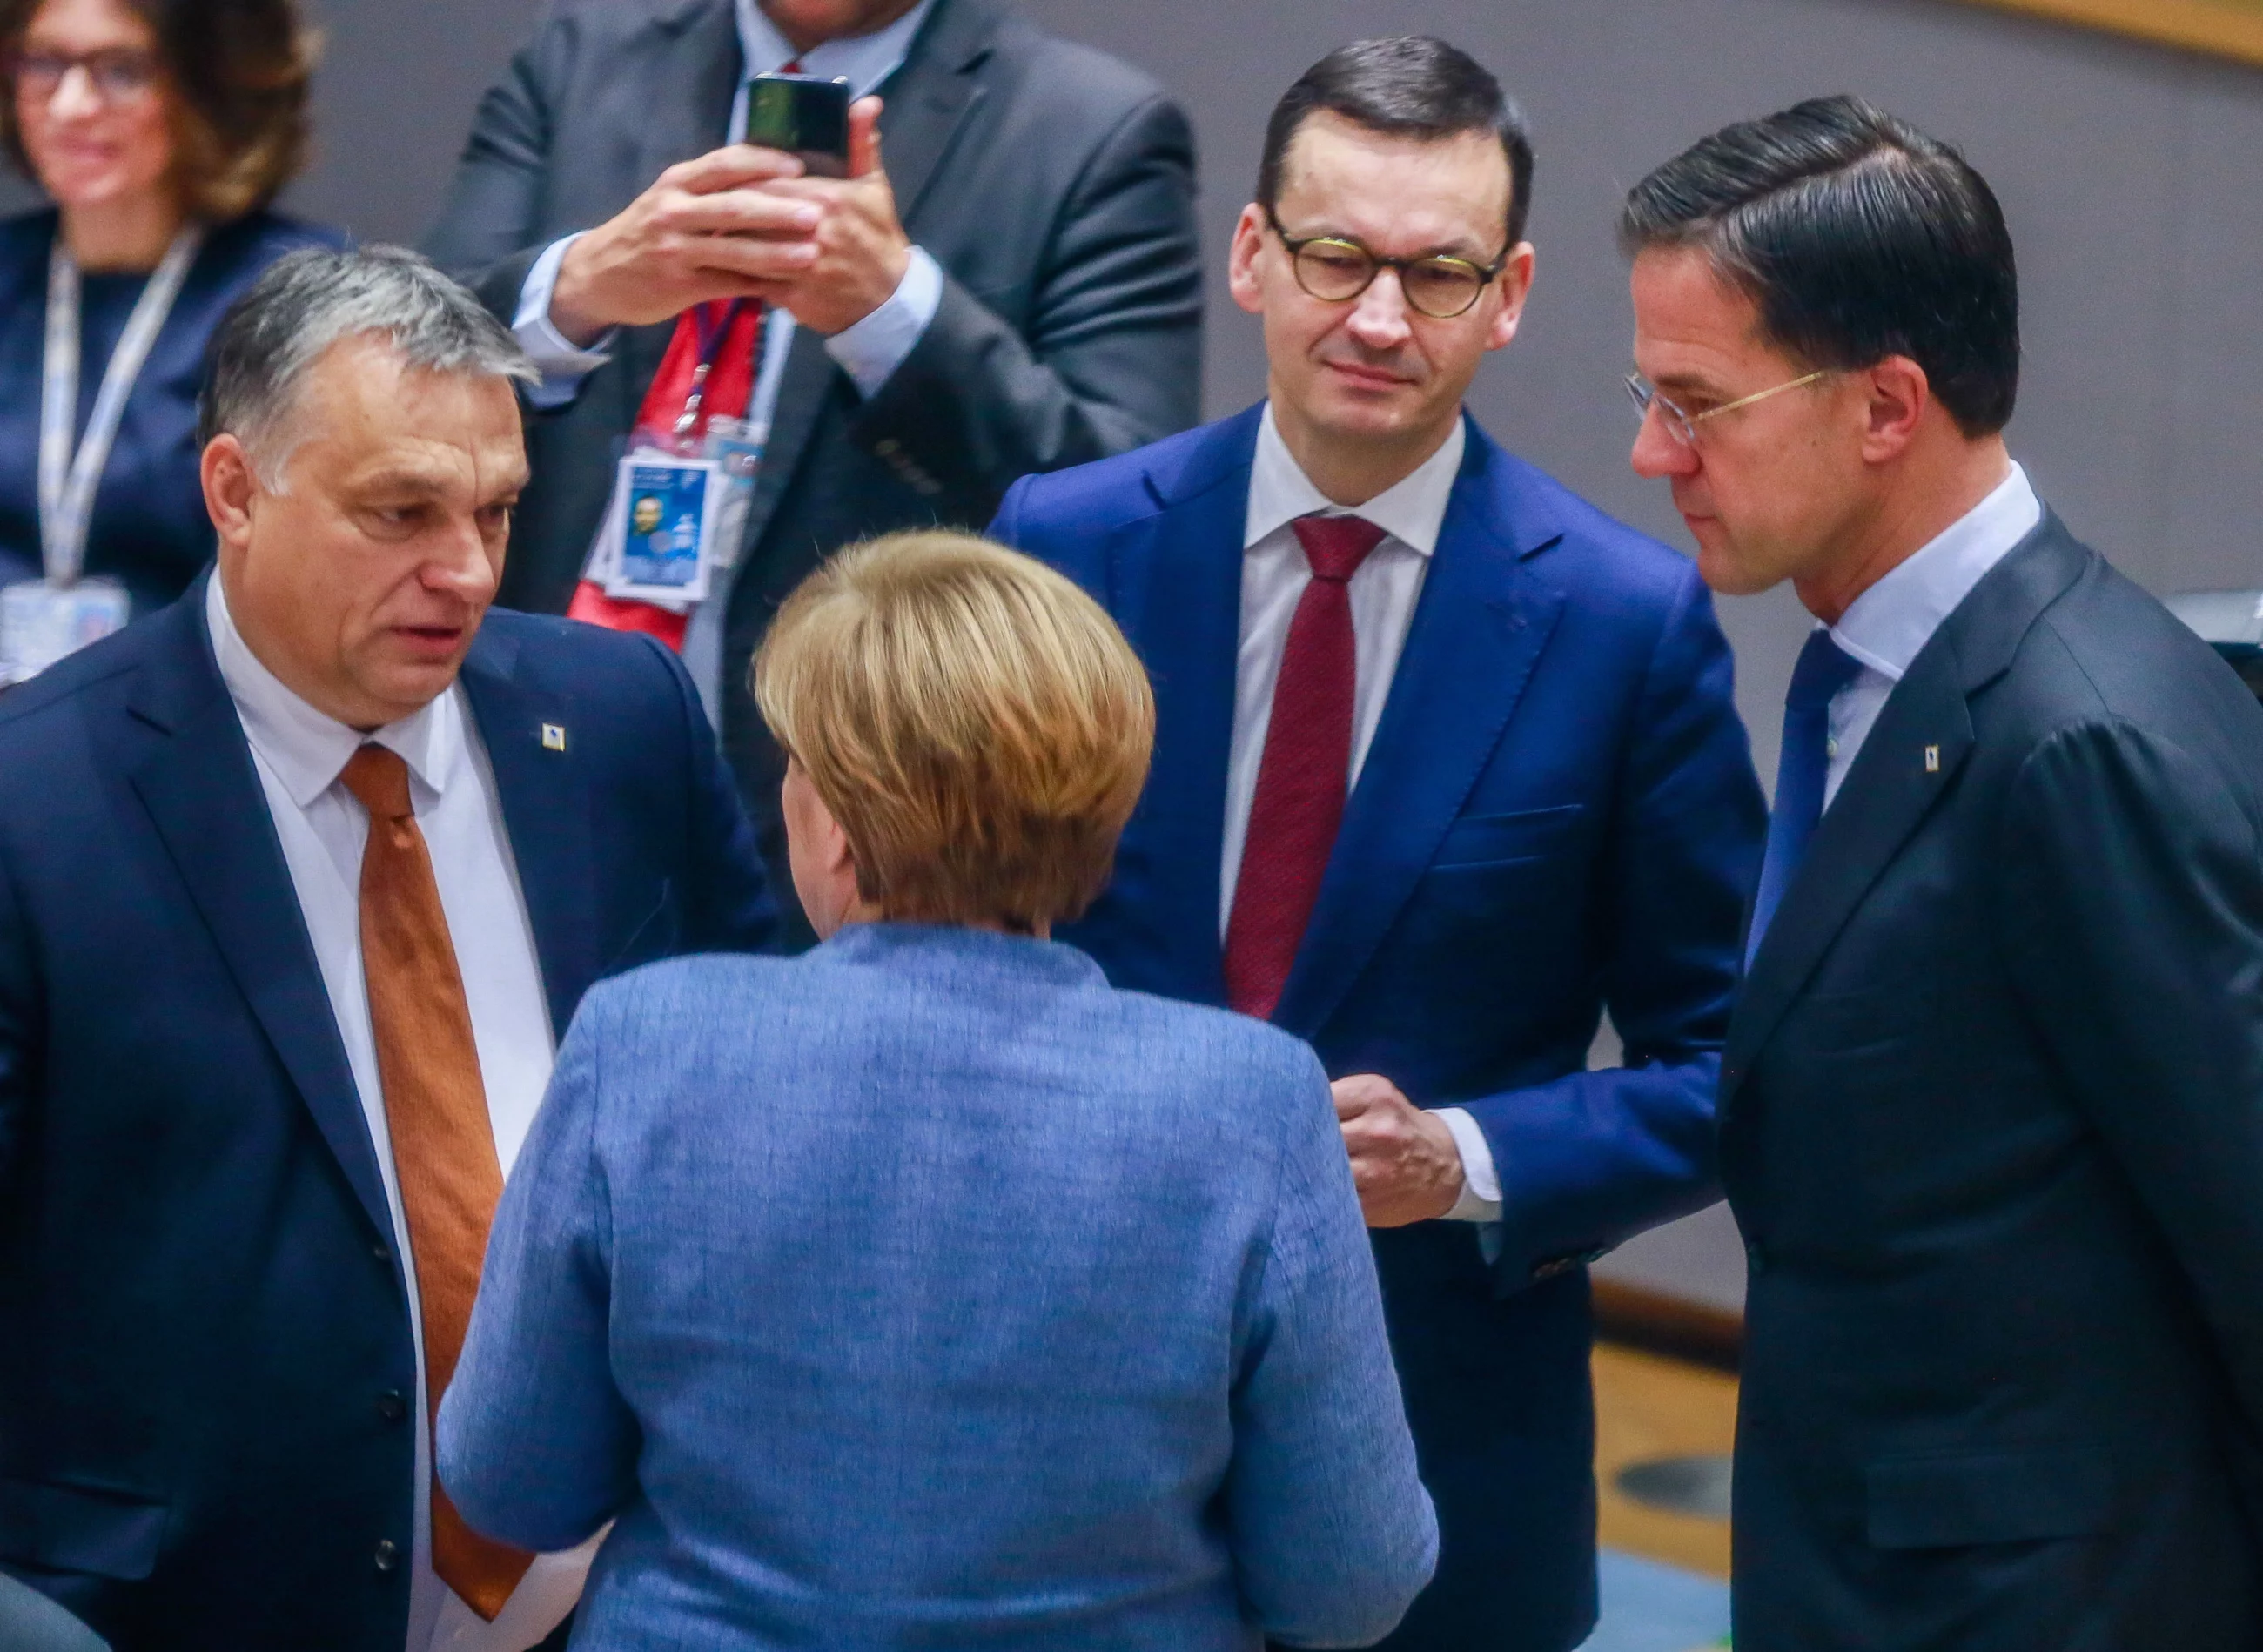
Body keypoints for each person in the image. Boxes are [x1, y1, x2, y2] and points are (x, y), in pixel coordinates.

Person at [990, 37, 1765, 1652]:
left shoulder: (1626, 628)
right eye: (1337, 256)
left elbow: (1729, 1061)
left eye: (1438, 272)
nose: (1379, 319)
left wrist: (1467, 1162)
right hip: (1050, 1409)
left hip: (1436, 1442)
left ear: (1514, 291)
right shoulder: (1058, 547)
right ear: (1253, 253)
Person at [436, 529, 1437, 1650]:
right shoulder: (1250, 1105)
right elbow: (1348, 1583)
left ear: (837, 816)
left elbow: (510, 1482)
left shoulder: (645, 1042)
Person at [0, 247, 778, 1652]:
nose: (466, 571)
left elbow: (763, 1108)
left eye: (494, 511)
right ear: (235, 490)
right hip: (179, 1609)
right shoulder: (34, 802)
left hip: (611, 1608)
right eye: (400, 512)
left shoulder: (619, 719)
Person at [1622, 97, 2263, 1651]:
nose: (1653, 453)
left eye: (1698, 404)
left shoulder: (2084, 742)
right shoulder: (1886, 683)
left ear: (1888, 406)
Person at [422, 0, 1205, 938]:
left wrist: (895, 315)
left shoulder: (1088, 130)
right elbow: (398, 361)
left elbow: (1125, 513)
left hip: (846, 837)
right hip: (531, 787)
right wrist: (578, 287)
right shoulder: (578, 63)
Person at [0, 0, 340, 682]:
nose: (70, 105)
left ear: (207, 83)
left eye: (120, 70)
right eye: (44, 62)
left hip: (191, 730)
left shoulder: (298, 301)